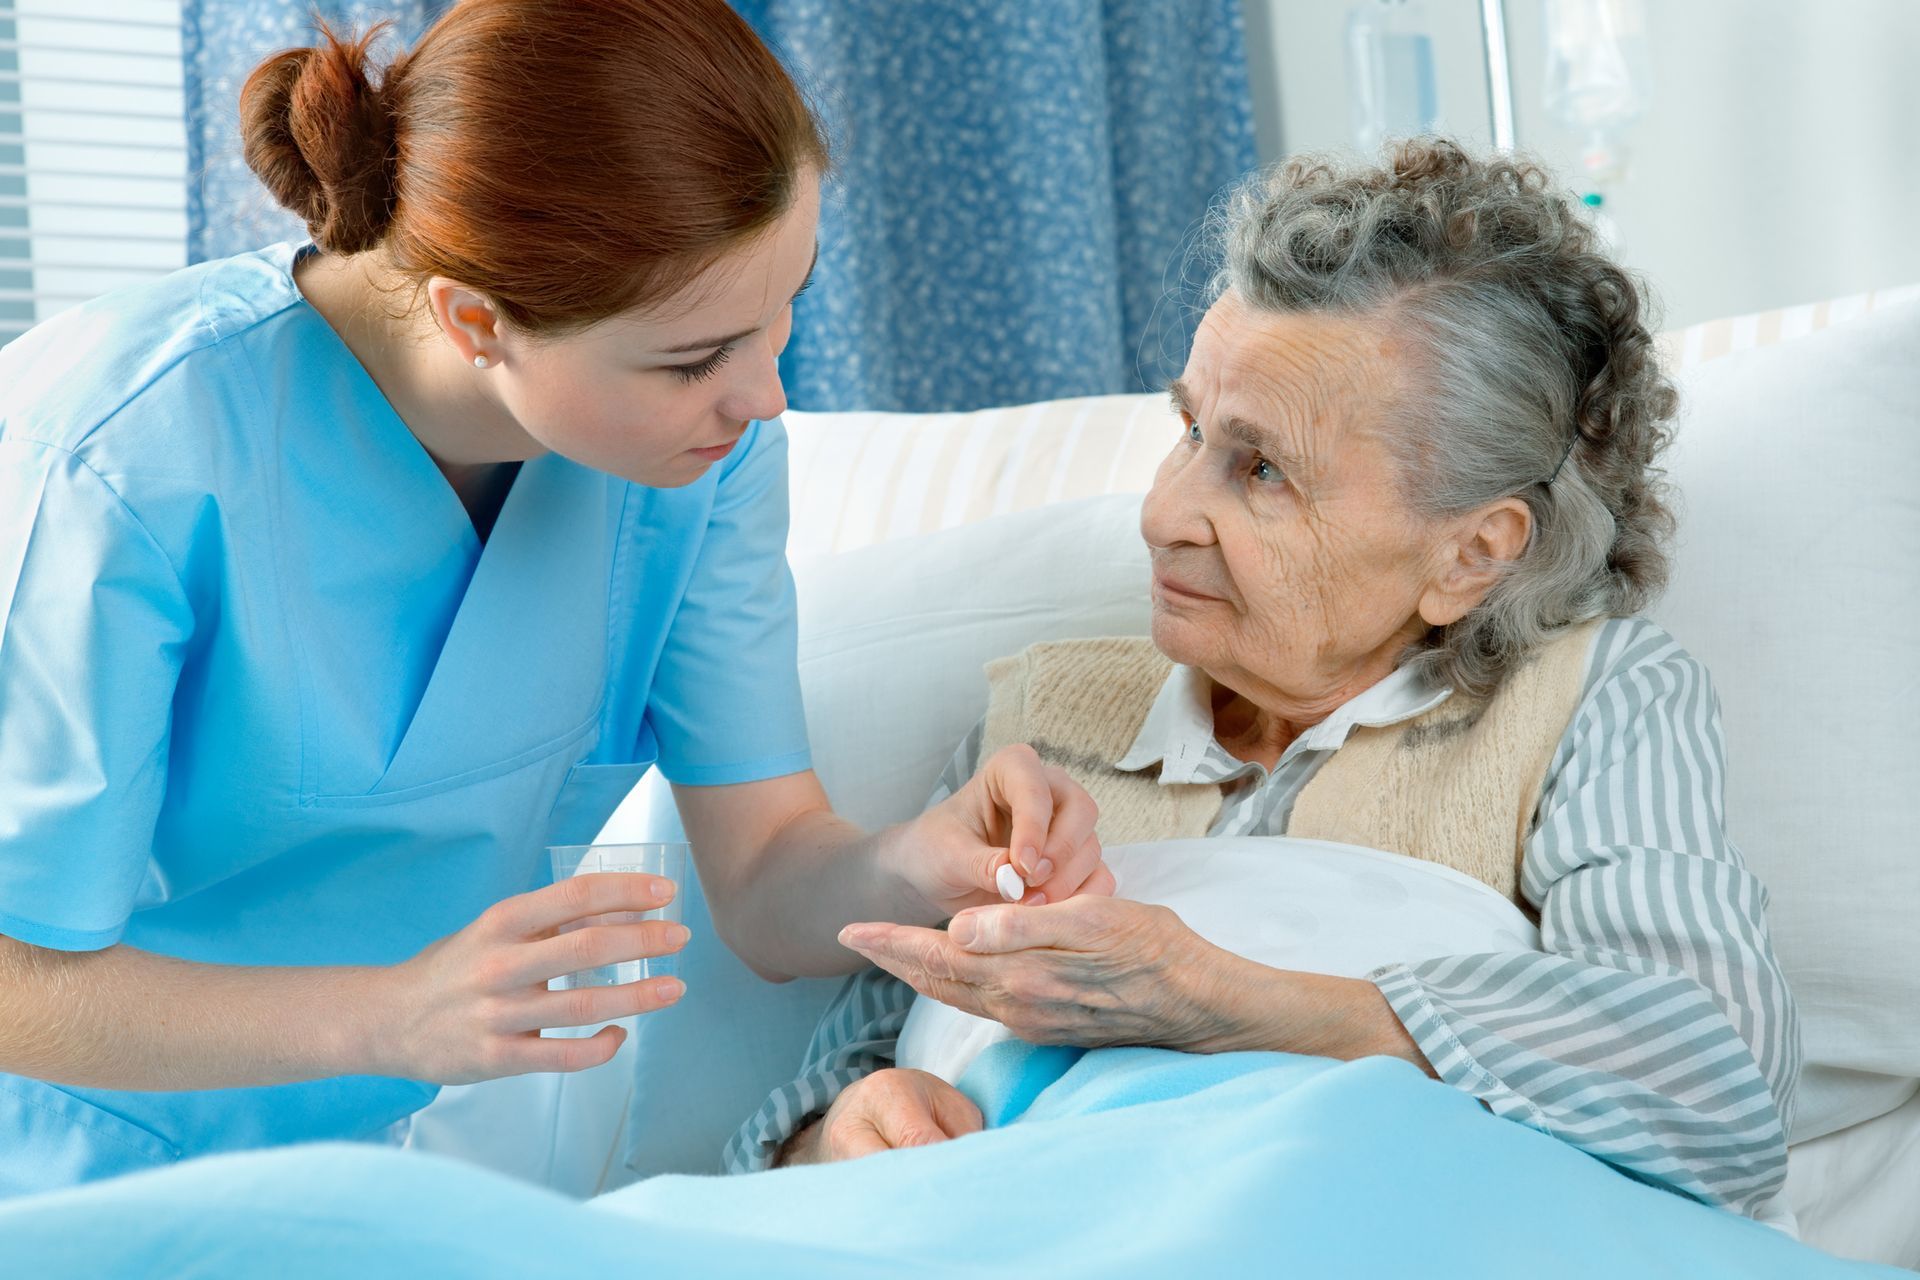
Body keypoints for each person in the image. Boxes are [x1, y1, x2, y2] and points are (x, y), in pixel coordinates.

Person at [0, 0, 1105, 1198]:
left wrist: (910, 865)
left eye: (784, 307)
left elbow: (770, 872)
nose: (766, 395)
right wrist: (394, 1016)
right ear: (478, 320)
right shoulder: (116, 459)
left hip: (347, 1186)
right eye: (695, 357)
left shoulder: (699, 471)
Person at [728, 139, 1802, 1221]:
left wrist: (1216, 998)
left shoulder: (1588, 697)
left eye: (1261, 469)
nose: (1161, 513)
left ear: (1472, 552)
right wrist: (844, 1137)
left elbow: (1717, 1086)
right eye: (1188, 427)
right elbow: (822, 1099)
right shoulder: (1035, 723)